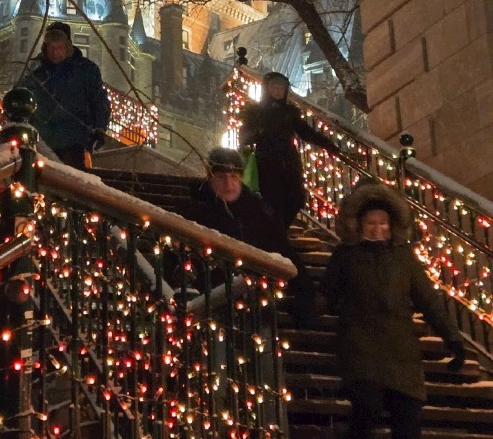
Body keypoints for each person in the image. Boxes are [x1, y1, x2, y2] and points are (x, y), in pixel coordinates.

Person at [322, 181, 466, 439]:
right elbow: (328, 295)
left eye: (383, 223)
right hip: (361, 349)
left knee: (408, 421)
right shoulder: (346, 255)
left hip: (401, 352)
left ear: (392, 224)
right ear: (359, 224)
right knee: (366, 413)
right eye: (371, 223)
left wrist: (452, 338)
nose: (377, 229)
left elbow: (427, 299)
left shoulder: (403, 256)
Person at [191, 147, 319, 328]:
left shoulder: (260, 213)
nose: (228, 184)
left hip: (256, 304)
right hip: (211, 306)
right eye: (221, 177)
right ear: (210, 178)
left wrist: (304, 294)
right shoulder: (197, 212)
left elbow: (283, 251)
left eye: (234, 177)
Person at [240, 71, 341, 229]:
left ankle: (280, 230)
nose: (278, 91)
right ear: (267, 88)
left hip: (289, 159)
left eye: (281, 87)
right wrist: (259, 133)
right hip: (267, 160)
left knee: (297, 198)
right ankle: (277, 234)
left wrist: (329, 145)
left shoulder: (290, 111)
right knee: (274, 200)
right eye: (274, 86)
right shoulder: (255, 112)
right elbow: (245, 136)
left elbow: (306, 132)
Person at [19, 21, 111, 170]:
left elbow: (98, 100)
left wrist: (99, 128)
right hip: (41, 139)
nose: (55, 52)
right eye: (51, 48)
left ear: (67, 46)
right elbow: (23, 96)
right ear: (45, 47)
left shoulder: (85, 70)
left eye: (59, 48)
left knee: (70, 180)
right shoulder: (36, 72)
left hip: (74, 140)